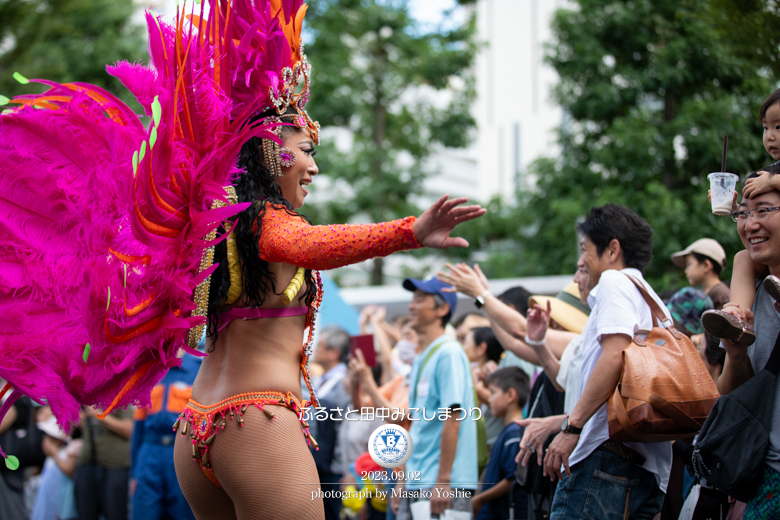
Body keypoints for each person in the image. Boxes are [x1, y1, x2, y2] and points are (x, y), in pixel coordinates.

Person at [543, 203, 671, 519]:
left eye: (586, 249)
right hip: (647, 471)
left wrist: (572, 428)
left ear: (612, 249)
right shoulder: (651, 298)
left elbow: (615, 355)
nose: (581, 260)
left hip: (606, 461)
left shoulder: (615, 282)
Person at [714, 172, 780, 518]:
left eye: (764, 210)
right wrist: (736, 354)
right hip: (768, 472)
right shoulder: (752, 296)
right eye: (743, 213)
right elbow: (729, 394)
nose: (751, 223)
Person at [394, 278, 478, 520]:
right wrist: (404, 481)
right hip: (419, 482)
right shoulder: (422, 356)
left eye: (420, 299)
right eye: (413, 299)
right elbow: (418, 425)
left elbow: (453, 420)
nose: (412, 305)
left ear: (442, 309)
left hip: (442, 485)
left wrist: (443, 480)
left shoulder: (448, 353)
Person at [130, 352, 199, 520]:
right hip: (149, 453)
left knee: (183, 513)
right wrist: (134, 473)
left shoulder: (199, 370)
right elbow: (138, 428)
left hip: (182, 452)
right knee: (143, 511)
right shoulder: (149, 371)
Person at [472, 367, 530, 520]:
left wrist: (480, 499)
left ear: (510, 395)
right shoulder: (508, 432)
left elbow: (511, 478)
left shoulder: (514, 434)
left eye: (492, 393)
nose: (489, 399)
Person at [75, 406, 133, 520]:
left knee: (114, 513)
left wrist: (100, 415)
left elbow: (130, 430)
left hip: (115, 467)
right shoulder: (89, 397)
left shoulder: (122, 398)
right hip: (88, 464)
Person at [31, 416, 82, 520]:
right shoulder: (49, 458)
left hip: (59, 506)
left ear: (58, 440)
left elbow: (69, 471)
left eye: (49, 437)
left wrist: (55, 455)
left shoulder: (65, 454)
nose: (44, 440)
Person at [670, 239, 730, 310]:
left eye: (689, 264)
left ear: (706, 265)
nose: (686, 271)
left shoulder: (720, 294)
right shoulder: (704, 292)